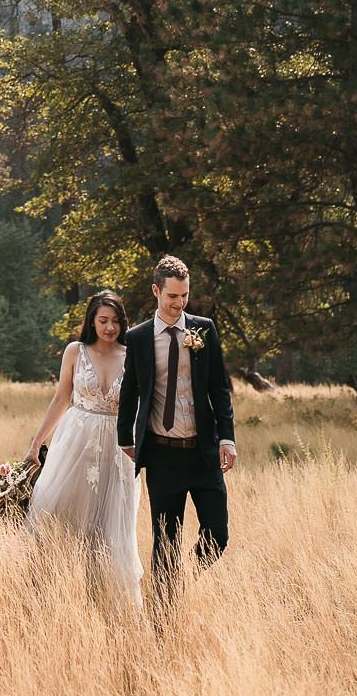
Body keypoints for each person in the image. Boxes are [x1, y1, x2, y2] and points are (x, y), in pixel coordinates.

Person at [116, 254, 236, 588]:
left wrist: (227, 438)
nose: (179, 303)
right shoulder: (139, 338)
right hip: (162, 455)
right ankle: (164, 613)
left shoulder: (203, 329)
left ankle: (189, 578)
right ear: (156, 291)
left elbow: (219, 387)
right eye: (172, 296)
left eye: (184, 295)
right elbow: (130, 389)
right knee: (165, 542)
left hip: (203, 452)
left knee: (218, 533)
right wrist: (125, 438)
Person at [26, 290, 142, 605]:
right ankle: (43, 591)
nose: (110, 327)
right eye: (103, 320)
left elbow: (144, 403)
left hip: (119, 449)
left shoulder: (132, 354)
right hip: (76, 445)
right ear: (92, 321)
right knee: (51, 508)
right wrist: (37, 443)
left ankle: (106, 601)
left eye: (115, 321)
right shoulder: (75, 351)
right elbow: (60, 398)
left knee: (112, 526)